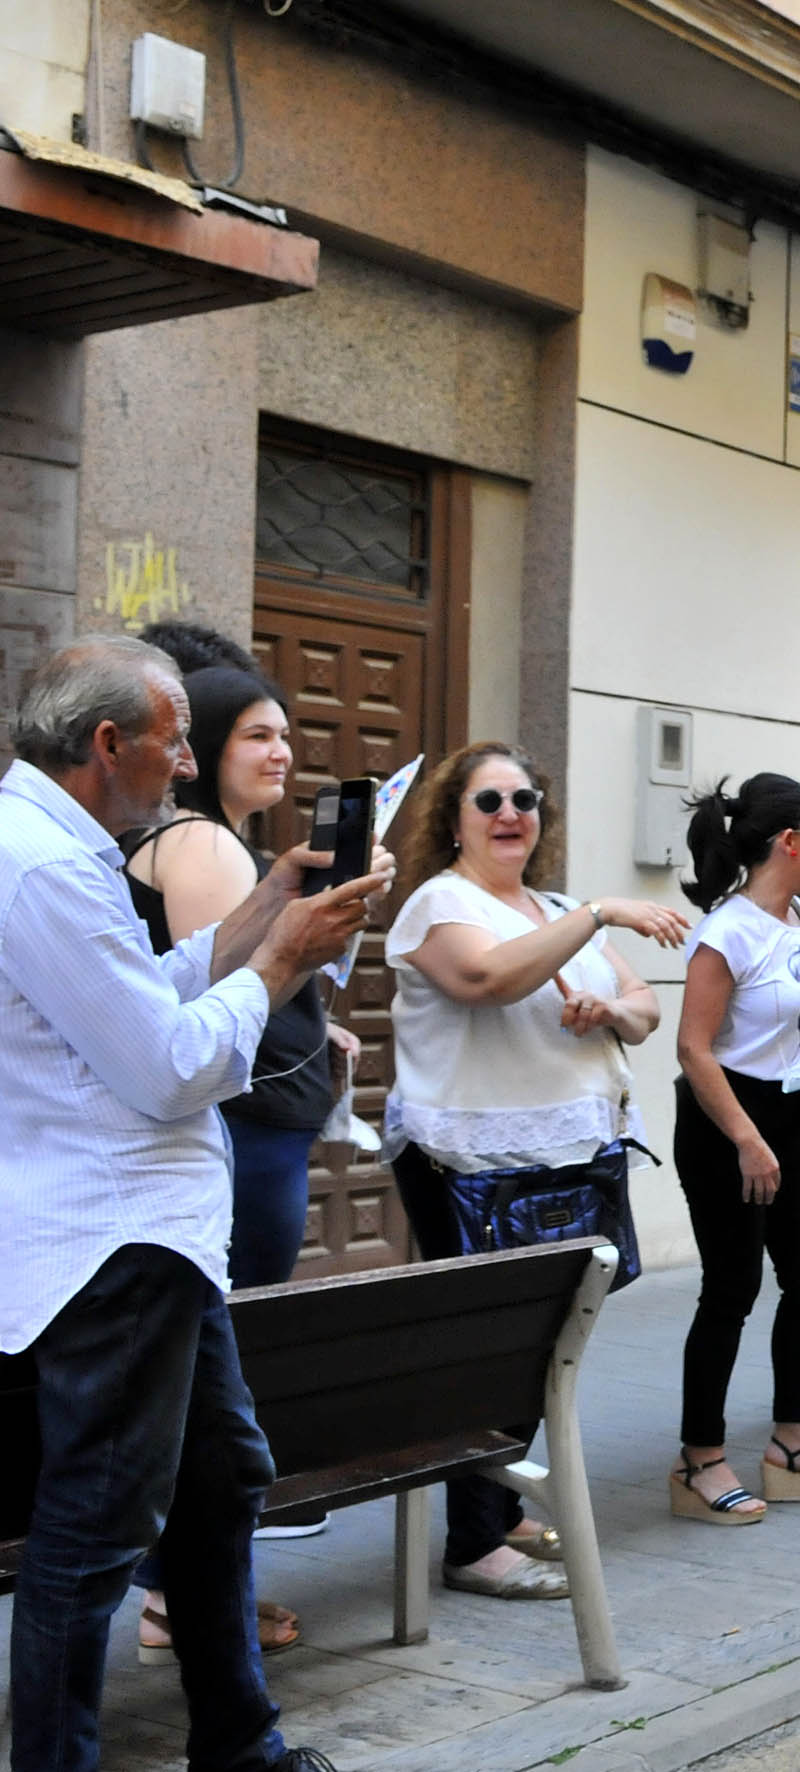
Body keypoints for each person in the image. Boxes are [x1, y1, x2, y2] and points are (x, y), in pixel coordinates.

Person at [4, 634, 386, 1772]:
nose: (184, 768)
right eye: (174, 743)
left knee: (221, 1479)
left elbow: (140, 996)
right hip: (116, 1239)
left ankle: (241, 1741)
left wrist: (268, 905)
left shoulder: (57, 847)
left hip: (149, 1234)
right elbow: (165, 1064)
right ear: (108, 742)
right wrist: (281, 965)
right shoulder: (42, 864)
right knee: (96, 1525)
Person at [385, 742, 686, 1594]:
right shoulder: (439, 904)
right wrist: (596, 916)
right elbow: (484, 978)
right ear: (453, 820)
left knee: (540, 1346)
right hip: (470, 1163)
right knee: (490, 1346)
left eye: (525, 797)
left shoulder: (550, 905)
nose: (511, 813)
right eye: (488, 801)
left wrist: (607, 1009)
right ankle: (473, 1544)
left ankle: (501, 1508)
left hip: (568, 1157)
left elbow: (644, 1007)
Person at [119, 668, 353, 1660]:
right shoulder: (204, 841)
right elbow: (227, 987)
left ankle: (187, 1588)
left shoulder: (208, 843)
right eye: (256, 734)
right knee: (224, 1373)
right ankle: (187, 1592)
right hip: (240, 1134)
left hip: (246, 1129)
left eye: (287, 734)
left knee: (218, 1369)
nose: (282, 753)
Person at [671, 773, 800, 1521]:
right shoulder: (728, 930)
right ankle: (699, 1459)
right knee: (731, 1289)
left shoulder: (792, 924)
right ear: (790, 842)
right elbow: (694, 1048)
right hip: (727, 1125)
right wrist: (747, 1138)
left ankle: (792, 1441)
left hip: (784, 1117)